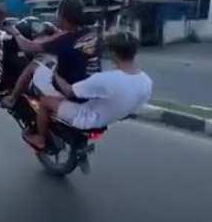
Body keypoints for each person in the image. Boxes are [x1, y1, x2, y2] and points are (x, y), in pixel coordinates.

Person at [24, 31, 152, 151]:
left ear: (113, 54)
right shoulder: (146, 81)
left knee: (45, 101)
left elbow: (69, 91)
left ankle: (40, 139)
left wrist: (57, 74)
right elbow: (135, 107)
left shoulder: (105, 80)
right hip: (111, 117)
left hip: (86, 117)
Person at [2, 0, 101, 108]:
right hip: (89, 89)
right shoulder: (89, 33)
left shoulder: (63, 39)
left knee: (35, 64)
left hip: (69, 90)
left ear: (63, 15)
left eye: (57, 11)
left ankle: (12, 99)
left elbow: (27, 47)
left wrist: (15, 32)